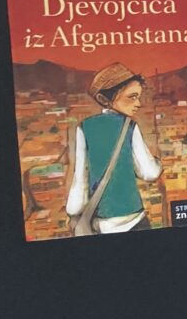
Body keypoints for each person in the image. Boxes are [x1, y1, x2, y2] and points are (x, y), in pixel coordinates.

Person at [66, 62, 163, 235]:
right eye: (132, 97)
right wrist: (158, 163)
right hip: (134, 219)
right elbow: (149, 173)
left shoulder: (85, 127)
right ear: (105, 99)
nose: (138, 103)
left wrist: (73, 211)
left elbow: (80, 178)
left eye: (138, 97)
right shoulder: (130, 126)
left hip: (102, 223)